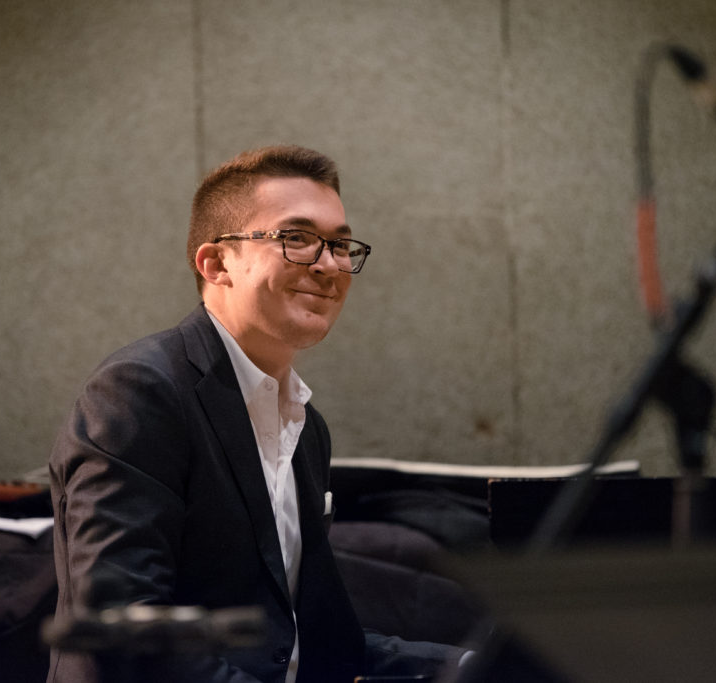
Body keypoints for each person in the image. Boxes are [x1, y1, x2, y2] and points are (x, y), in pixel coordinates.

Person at [48, 145, 464, 682]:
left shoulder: (305, 427)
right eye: (297, 238)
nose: (330, 264)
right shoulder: (140, 392)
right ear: (217, 263)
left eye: (340, 244)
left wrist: (474, 666)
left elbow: (313, 644)